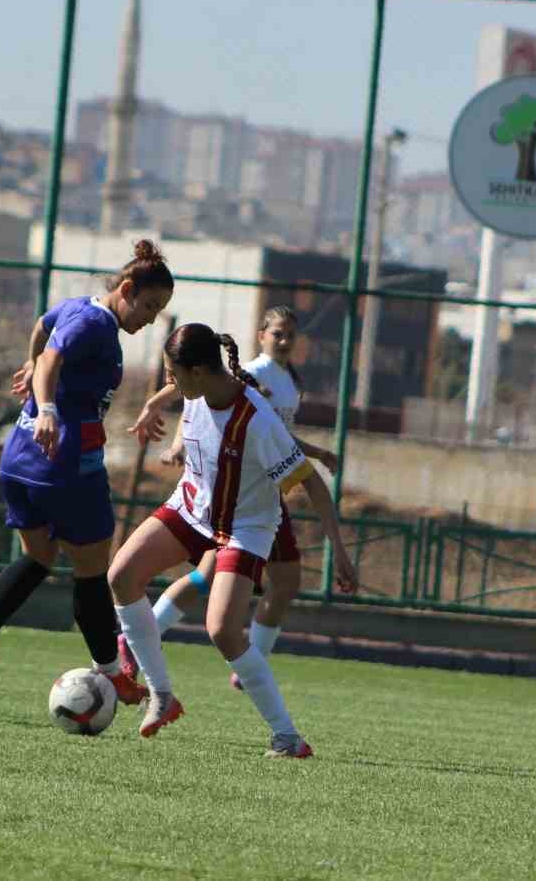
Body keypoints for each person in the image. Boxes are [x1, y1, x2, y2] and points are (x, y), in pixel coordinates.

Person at [108, 323, 356, 759]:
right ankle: (162, 696)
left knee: (221, 629)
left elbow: (312, 484)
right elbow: (172, 390)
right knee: (122, 575)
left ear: (200, 372)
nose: (173, 383)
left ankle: (287, 737)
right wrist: (150, 407)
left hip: (245, 526)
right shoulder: (196, 390)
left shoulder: (257, 421)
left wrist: (340, 550)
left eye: (175, 373)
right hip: (191, 507)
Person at [0, 240, 174, 704]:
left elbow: (42, 330)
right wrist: (48, 403)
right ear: (127, 289)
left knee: (37, 557)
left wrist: (33, 365)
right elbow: (54, 357)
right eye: (150, 305)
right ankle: (112, 673)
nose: (151, 318)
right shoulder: (97, 325)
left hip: (18, 457)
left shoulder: (78, 307)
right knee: (93, 573)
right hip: (67, 463)